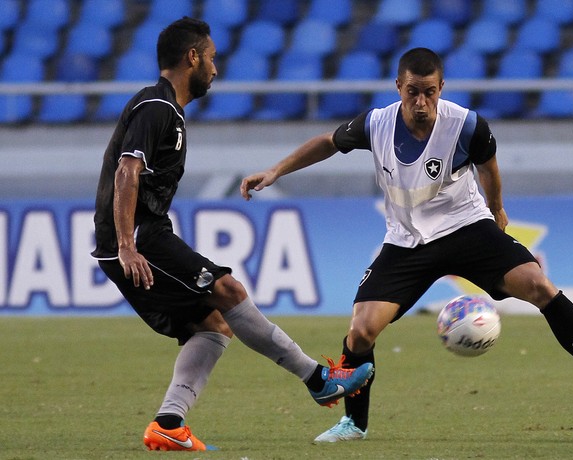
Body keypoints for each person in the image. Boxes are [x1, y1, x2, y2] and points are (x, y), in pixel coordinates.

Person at [240, 47, 573, 443]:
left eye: (429, 92)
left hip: (466, 228)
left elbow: (488, 165)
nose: (421, 101)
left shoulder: (467, 125)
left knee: (540, 287)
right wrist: (277, 170)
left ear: (441, 89)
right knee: (361, 331)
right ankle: (353, 422)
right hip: (406, 242)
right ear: (398, 88)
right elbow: (329, 142)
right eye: (412, 92)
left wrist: (497, 210)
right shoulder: (376, 123)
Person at [91, 17, 373, 452]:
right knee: (228, 289)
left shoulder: (165, 109)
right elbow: (128, 171)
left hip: (139, 235)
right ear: (193, 58)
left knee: (213, 324)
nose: (215, 69)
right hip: (138, 239)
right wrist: (127, 245)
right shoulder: (157, 107)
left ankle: (169, 422)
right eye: (212, 58)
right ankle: (317, 379)